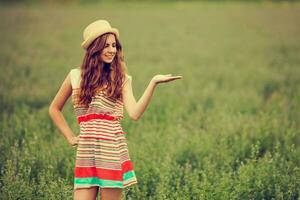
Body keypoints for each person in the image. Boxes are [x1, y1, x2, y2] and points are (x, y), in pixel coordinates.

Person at [48, 19, 182, 200]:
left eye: (114, 45)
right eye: (106, 45)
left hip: (111, 149)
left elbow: (134, 113)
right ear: (94, 48)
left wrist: (153, 83)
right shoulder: (75, 76)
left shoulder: (122, 79)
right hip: (86, 152)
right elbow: (54, 108)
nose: (112, 50)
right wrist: (70, 137)